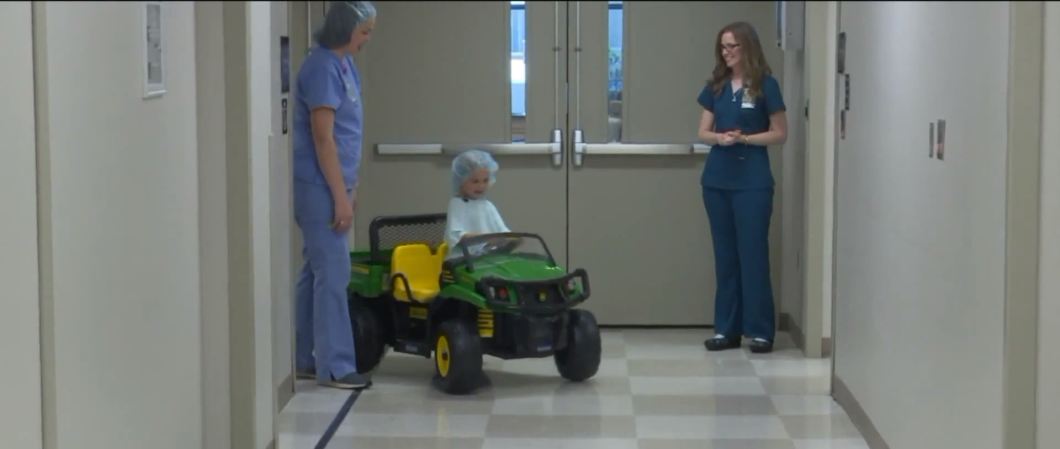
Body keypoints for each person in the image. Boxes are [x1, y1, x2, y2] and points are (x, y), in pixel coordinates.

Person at [293, 1, 377, 389]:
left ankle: (305, 357)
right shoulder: (320, 68)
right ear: (345, 29)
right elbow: (323, 138)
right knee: (334, 274)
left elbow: (348, 135)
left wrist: (351, 187)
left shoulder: (345, 67)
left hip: (336, 184)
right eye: (364, 32)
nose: (367, 40)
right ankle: (337, 366)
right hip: (318, 187)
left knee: (316, 270)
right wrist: (340, 198)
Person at [695, 21, 787, 354]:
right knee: (726, 257)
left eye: (733, 46)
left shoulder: (766, 85)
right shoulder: (717, 86)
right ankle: (727, 329)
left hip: (752, 182)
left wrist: (745, 138)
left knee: (753, 254)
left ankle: (760, 330)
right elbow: (703, 131)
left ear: (748, 47)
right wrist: (719, 137)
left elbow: (780, 133)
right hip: (717, 180)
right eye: (723, 47)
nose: (727, 53)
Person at [444, 150, 511, 259]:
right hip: (461, 262)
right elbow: (457, 238)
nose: (481, 186)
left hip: (485, 260)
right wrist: (488, 238)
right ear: (461, 181)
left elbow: (504, 233)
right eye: (475, 181)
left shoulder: (488, 206)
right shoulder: (457, 204)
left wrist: (512, 239)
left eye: (485, 181)